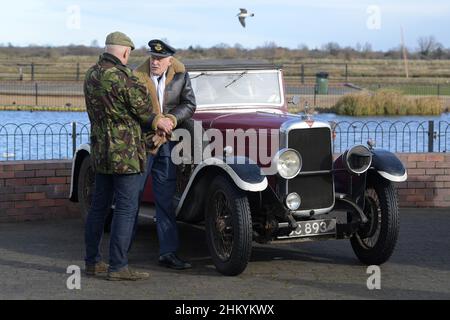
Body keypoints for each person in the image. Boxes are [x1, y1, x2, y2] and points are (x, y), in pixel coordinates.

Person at [84, 32, 173, 281]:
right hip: (126, 155)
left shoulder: (90, 75)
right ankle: (118, 266)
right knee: (126, 207)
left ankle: (92, 262)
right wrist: (161, 122)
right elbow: (145, 111)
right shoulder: (124, 78)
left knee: (98, 207)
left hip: (101, 152)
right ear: (125, 52)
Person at [132, 39, 196, 270]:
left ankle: (168, 253)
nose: (155, 62)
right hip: (142, 144)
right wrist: (156, 121)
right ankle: (121, 257)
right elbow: (133, 110)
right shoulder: (136, 77)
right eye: (153, 57)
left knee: (165, 201)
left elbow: (189, 105)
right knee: (132, 199)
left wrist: (171, 119)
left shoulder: (181, 76)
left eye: (160, 59)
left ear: (170, 61)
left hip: (167, 145)